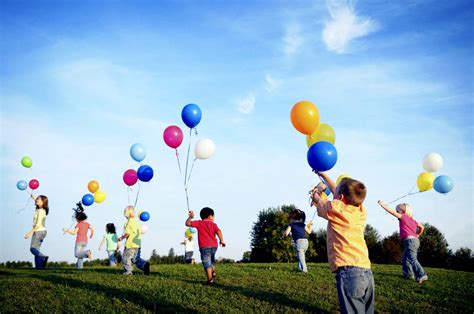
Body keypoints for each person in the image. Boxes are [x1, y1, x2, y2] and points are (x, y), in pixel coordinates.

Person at [312, 173, 374, 314]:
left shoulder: (335, 209)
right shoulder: (360, 210)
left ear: (340, 198)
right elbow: (338, 191)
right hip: (366, 271)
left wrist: (315, 193)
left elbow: (320, 202)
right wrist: (323, 175)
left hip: (349, 272)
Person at [378, 200, 428, 283]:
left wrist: (383, 205)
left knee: (412, 258)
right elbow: (422, 227)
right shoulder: (413, 220)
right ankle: (408, 274)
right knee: (405, 259)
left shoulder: (403, 217)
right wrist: (417, 234)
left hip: (410, 241)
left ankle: (422, 275)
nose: (397, 212)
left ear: (403, 211)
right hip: (413, 240)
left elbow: (392, 212)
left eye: (398, 210)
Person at [185, 207, 225, 285]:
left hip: (204, 247)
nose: (214, 218)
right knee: (212, 261)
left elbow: (187, 224)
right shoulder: (213, 224)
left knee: (206, 263)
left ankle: (210, 280)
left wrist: (190, 217)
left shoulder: (199, 223)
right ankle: (213, 273)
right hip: (214, 246)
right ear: (210, 216)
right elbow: (219, 231)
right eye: (213, 216)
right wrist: (221, 240)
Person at [118, 206, 150, 276]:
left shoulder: (128, 222)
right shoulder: (137, 222)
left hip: (130, 245)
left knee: (125, 258)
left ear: (126, 214)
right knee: (135, 259)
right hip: (137, 244)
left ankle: (128, 272)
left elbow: (127, 233)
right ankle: (144, 265)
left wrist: (121, 238)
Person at [24, 194, 49, 269]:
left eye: (38, 199)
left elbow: (38, 225)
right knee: (37, 249)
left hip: (38, 231)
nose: (36, 200)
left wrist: (29, 233)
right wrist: (33, 198)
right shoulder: (42, 210)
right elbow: (37, 202)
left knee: (33, 249)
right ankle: (39, 267)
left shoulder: (40, 211)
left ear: (43, 202)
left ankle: (43, 257)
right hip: (42, 231)